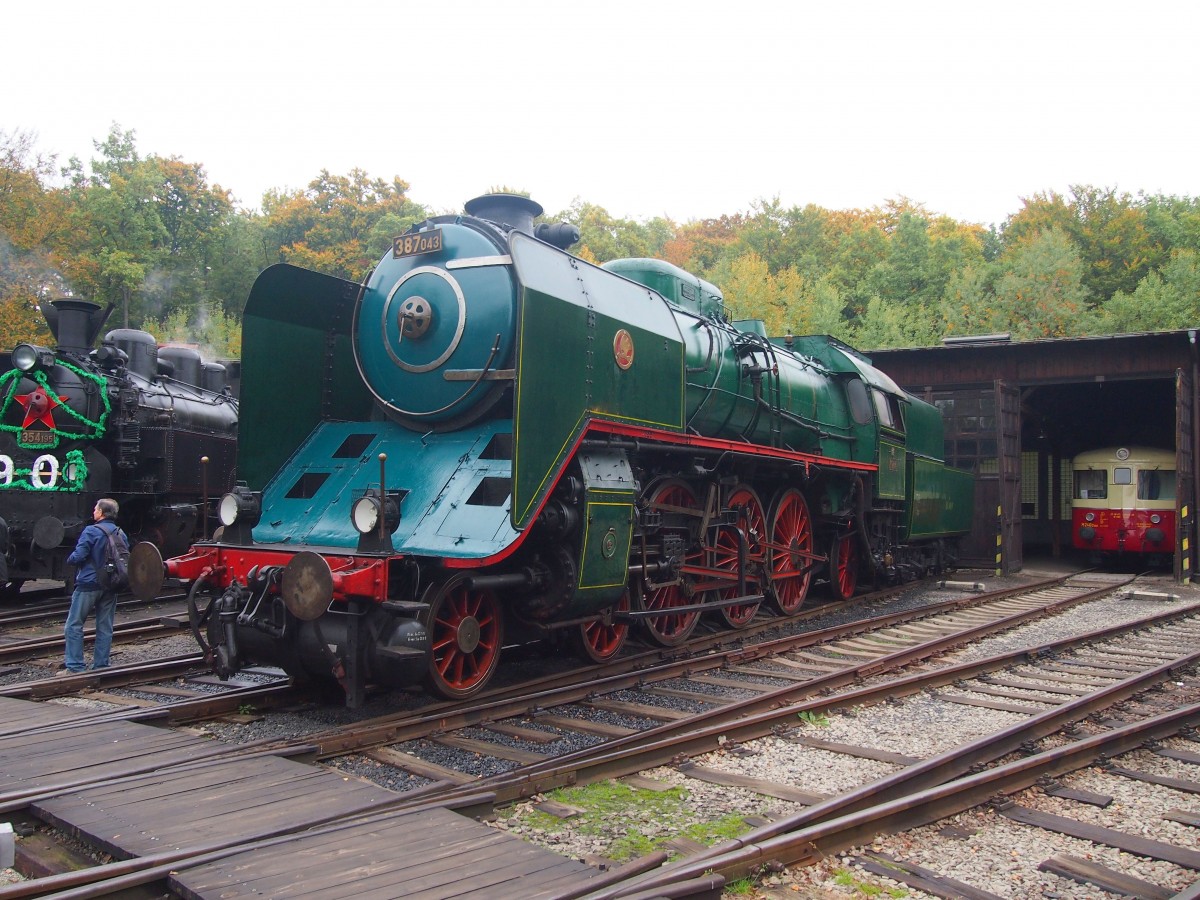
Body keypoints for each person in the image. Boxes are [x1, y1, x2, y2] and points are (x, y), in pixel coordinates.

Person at [60, 498, 127, 675]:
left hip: (88, 583)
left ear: (102, 513)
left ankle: (75, 667)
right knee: (105, 626)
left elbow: (79, 556)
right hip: (111, 584)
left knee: (74, 625)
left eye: (96, 509)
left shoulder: (91, 531)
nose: (94, 511)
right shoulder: (120, 533)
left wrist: (70, 559)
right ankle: (101, 665)